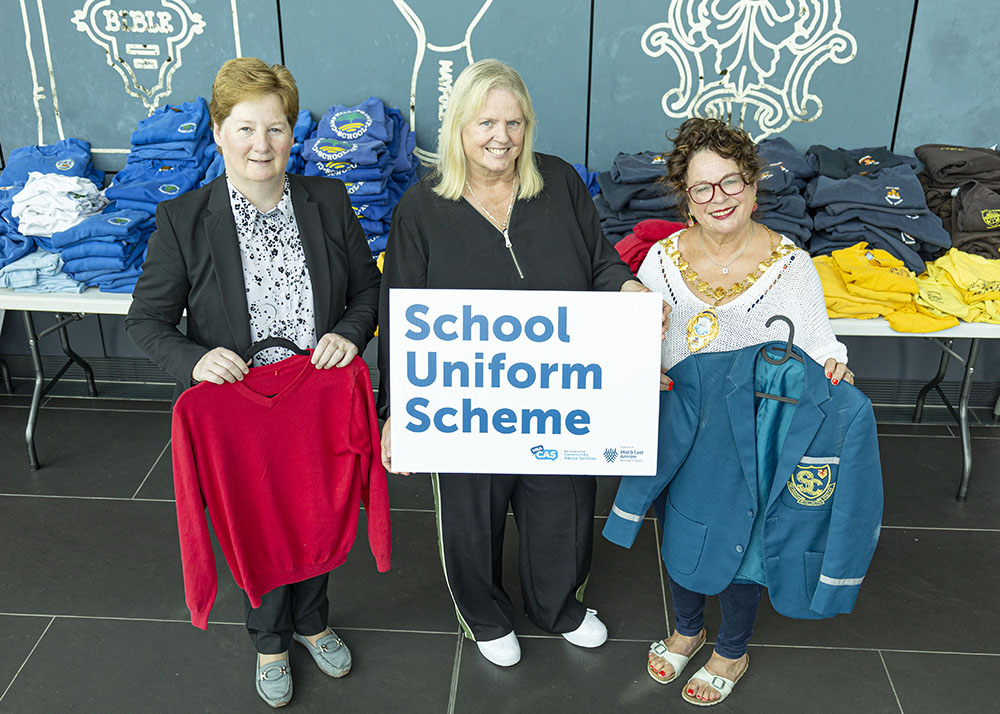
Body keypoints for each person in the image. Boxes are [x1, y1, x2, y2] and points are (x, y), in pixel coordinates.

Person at [377, 58, 667, 668]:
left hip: (559, 394)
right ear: (458, 125)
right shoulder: (420, 210)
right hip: (465, 402)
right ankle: (484, 617)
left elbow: (601, 261)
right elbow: (400, 323)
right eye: (486, 122)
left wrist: (627, 290)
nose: (500, 137)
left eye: (513, 122)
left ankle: (558, 606)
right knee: (469, 514)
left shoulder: (558, 183)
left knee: (561, 503)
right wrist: (396, 414)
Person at [124, 57, 381, 708]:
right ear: (217, 131)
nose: (260, 144)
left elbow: (367, 291)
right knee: (257, 523)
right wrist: (194, 361)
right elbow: (147, 321)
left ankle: (315, 620)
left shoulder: (327, 201)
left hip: (314, 397)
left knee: (320, 511)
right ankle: (271, 640)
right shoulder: (184, 219)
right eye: (244, 128)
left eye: (274, 129)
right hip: (240, 409)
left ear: (293, 134)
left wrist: (350, 334)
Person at [631, 117, 852, 706]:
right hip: (678, 427)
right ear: (687, 200)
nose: (718, 198)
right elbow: (634, 339)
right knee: (676, 528)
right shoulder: (660, 262)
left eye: (730, 182)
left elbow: (820, 344)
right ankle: (685, 629)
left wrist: (832, 366)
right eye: (702, 188)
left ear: (753, 186)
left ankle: (731, 646)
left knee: (744, 541)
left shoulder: (790, 265)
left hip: (757, 435)